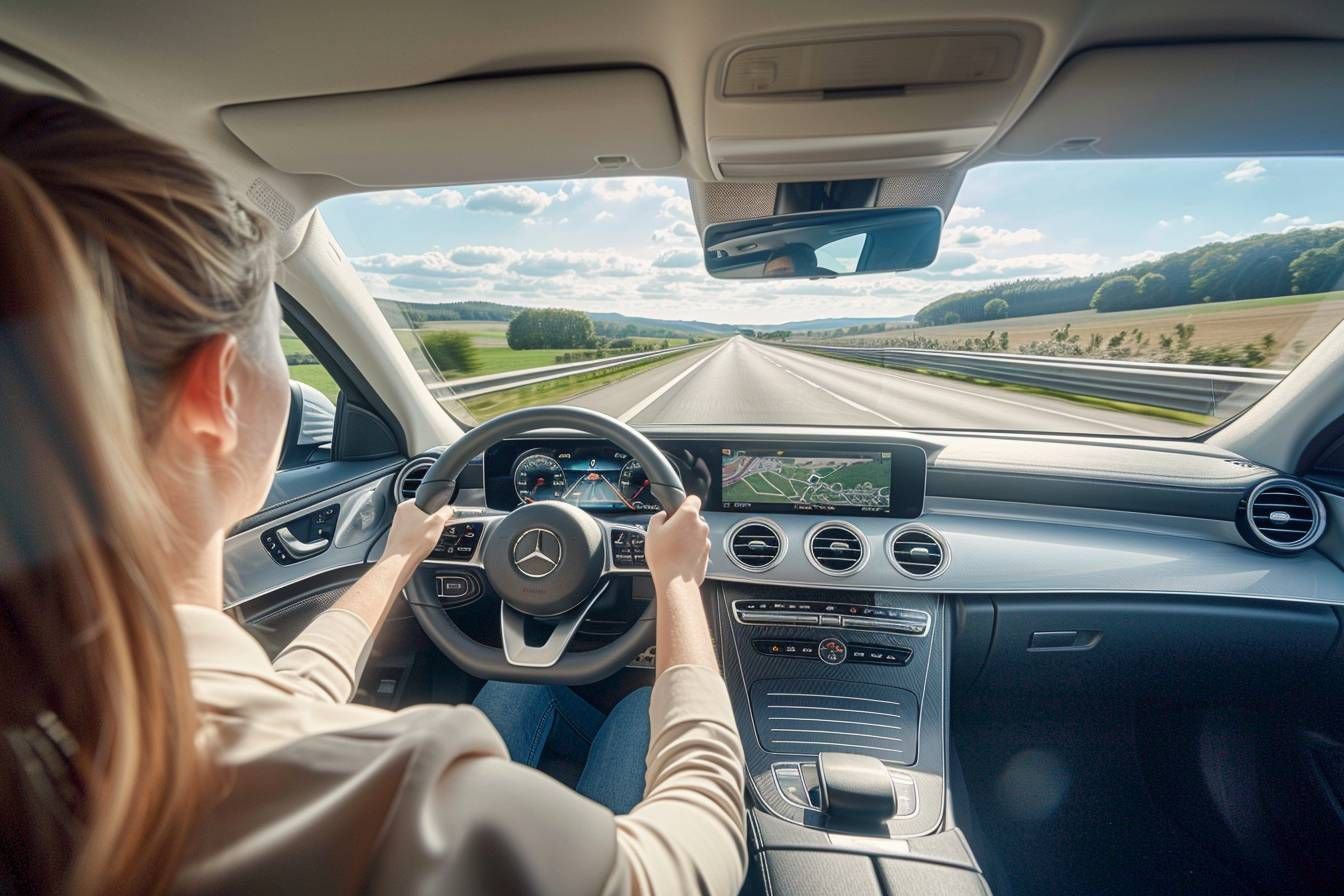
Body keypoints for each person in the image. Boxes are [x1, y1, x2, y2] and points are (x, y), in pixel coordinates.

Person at [0, 86, 746, 896]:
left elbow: (278, 694)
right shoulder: (403, 810)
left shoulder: (74, 724)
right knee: (639, 715)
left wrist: (396, 560)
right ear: (215, 394)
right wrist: (674, 583)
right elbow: (693, 851)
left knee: (506, 688)